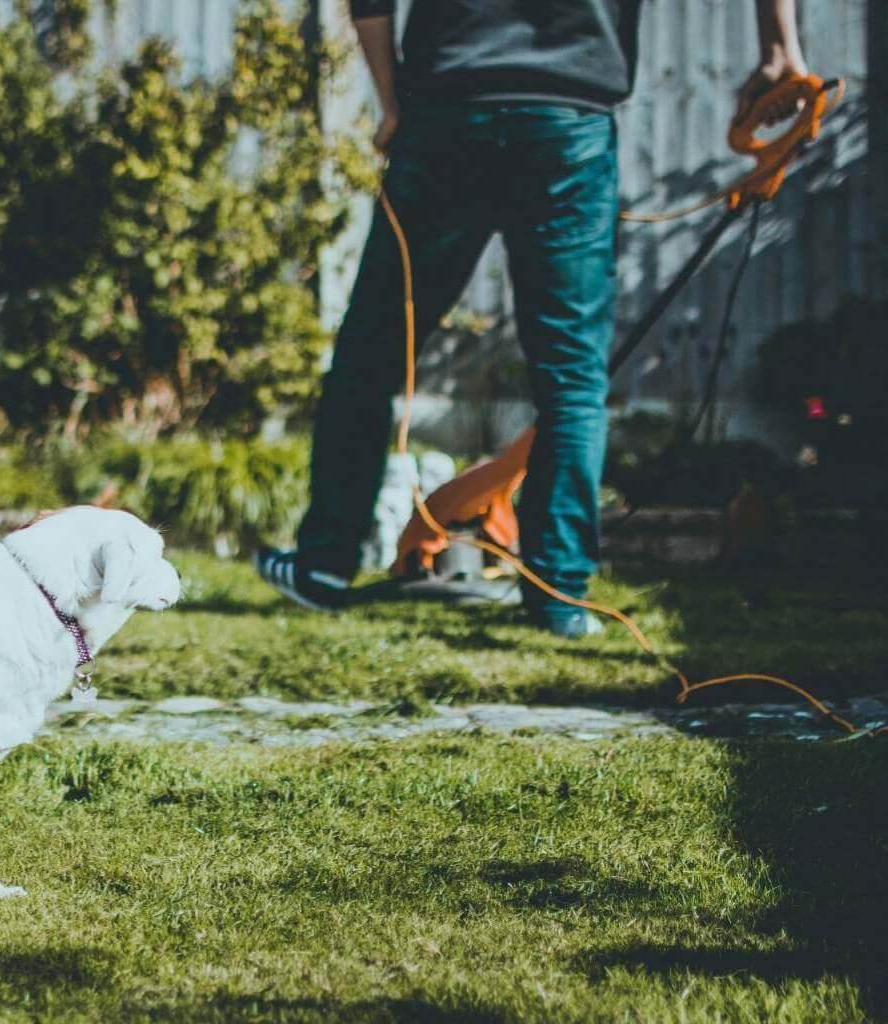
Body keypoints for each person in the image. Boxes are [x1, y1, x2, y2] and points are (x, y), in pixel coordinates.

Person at [256, 0, 809, 637]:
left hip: (446, 113)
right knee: (572, 375)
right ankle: (559, 598)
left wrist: (390, 101)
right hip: (566, 119)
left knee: (373, 349)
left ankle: (325, 566)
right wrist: (778, 47)